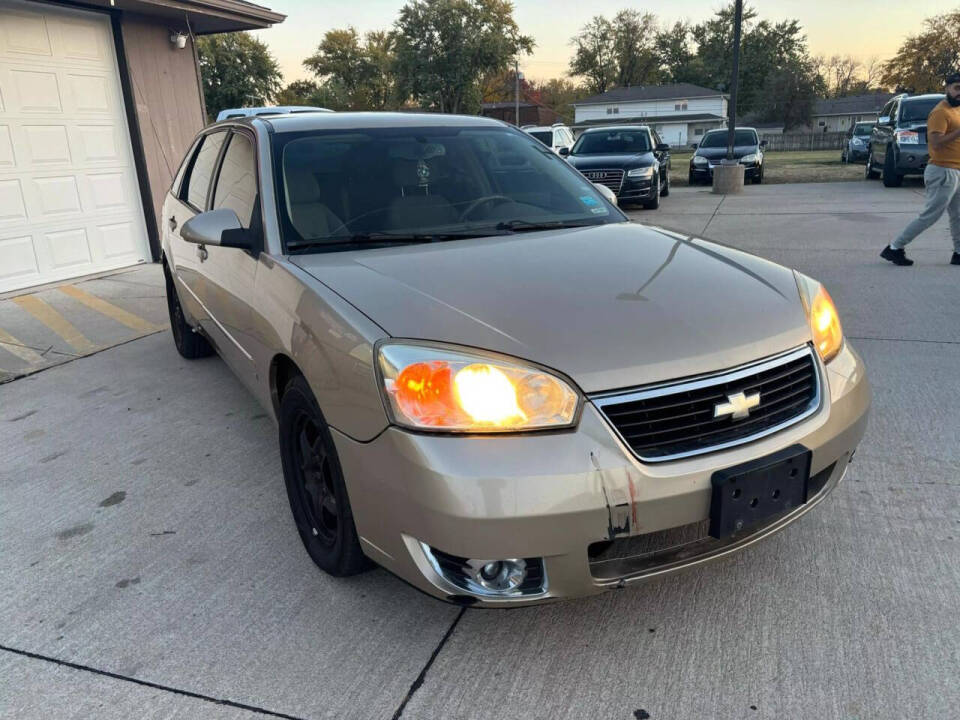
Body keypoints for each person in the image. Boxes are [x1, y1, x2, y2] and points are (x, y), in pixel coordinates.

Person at [881, 73, 960, 266]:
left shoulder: (957, 111)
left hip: (955, 170)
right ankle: (894, 247)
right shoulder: (940, 112)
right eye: (957, 88)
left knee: (958, 215)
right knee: (930, 215)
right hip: (942, 171)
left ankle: (959, 253)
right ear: (947, 88)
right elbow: (935, 141)